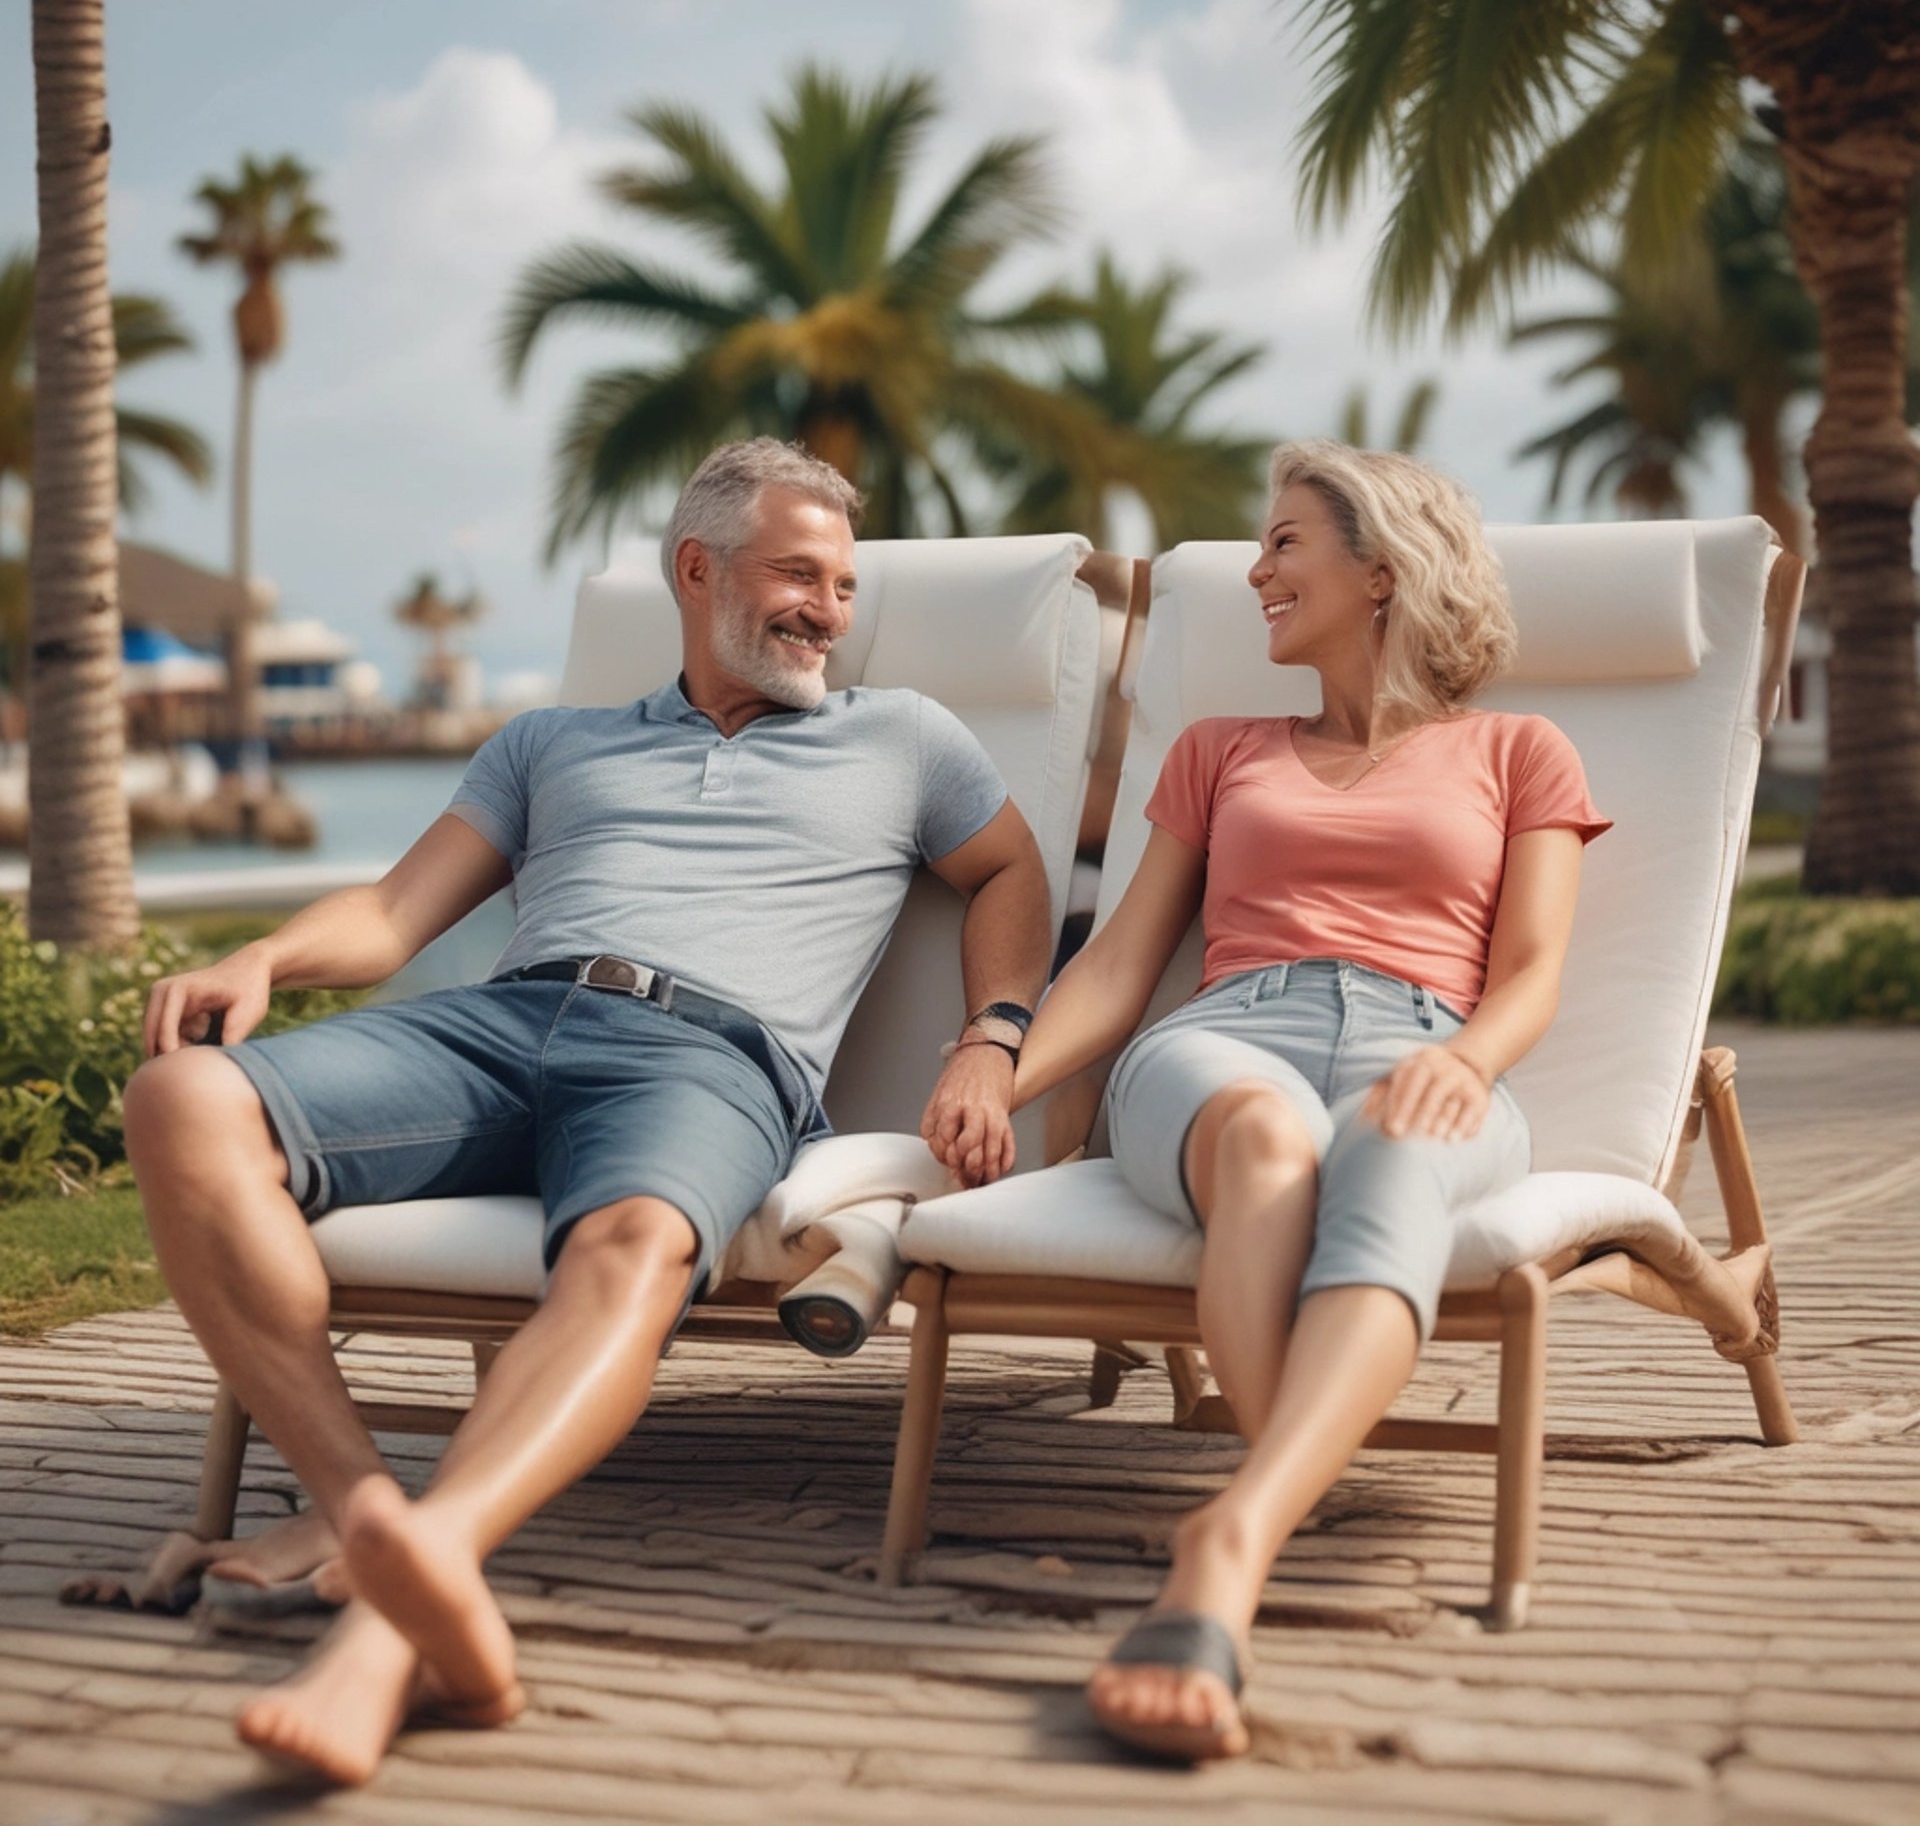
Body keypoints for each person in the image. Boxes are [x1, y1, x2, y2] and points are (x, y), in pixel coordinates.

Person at [124, 438, 1052, 1786]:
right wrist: (264, 957)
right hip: (501, 1023)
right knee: (182, 1099)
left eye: (845, 587)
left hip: (709, 1058)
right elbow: (390, 913)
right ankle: (356, 1509)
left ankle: (402, 1602)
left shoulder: (904, 736)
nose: (830, 611)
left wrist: (991, 1040)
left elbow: (1014, 871)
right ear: (698, 570)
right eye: (801, 576)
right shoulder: (549, 742)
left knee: (633, 1241)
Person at [1004, 438, 1654, 1762]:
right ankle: (1255, 1526)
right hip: (1224, 1037)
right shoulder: (1219, 750)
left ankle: (1230, 1535)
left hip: (1430, 1043)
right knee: (1262, 1139)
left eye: (1285, 543)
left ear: (1383, 570)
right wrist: (992, 1067)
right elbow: (1119, 965)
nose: (1257, 572)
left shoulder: (1520, 752)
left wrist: (1464, 1063)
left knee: (1393, 1155)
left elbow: (1530, 973)